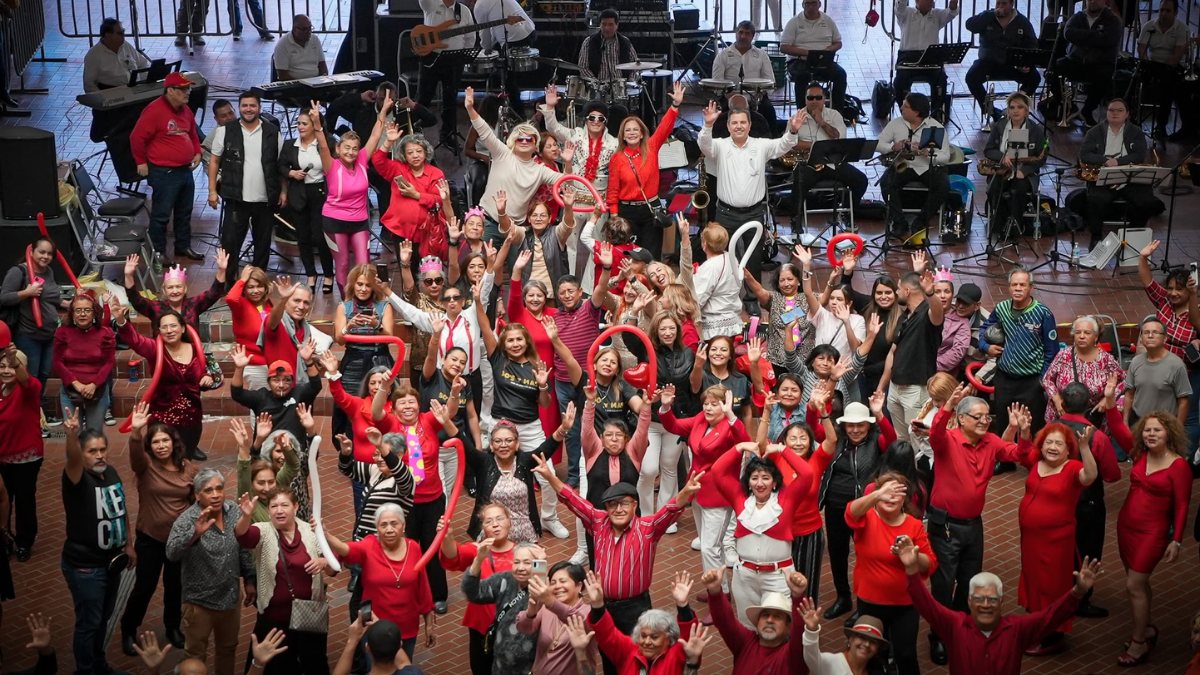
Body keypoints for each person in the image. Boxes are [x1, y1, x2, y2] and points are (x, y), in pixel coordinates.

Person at [533, 455, 703, 651]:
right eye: (613, 504)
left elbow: (670, 509)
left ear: (635, 506)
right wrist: (549, 475)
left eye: (624, 503)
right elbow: (573, 500)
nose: (618, 509)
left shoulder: (648, 528)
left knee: (637, 654)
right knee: (607, 655)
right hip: (602, 606)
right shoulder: (598, 521)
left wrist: (686, 492)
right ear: (606, 507)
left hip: (636, 608)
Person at [924, 383, 1034, 664]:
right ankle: (938, 636)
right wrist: (948, 404)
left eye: (988, 417)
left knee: (969, 581)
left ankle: (959, 628)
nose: (986, 421)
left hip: (973, 525)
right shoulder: (947, 440)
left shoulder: (991, 442)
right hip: (944, 526)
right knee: (943, 584)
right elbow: (935, 433)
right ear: (962, 419)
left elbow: (1019, 456)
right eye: (979, 417)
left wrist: (1023, 432)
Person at [902, 540, 1102, 675]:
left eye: (992, 599)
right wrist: (911, 570)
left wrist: (1077, 591)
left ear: (1001, 602)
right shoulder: (955, 625)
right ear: (969, 601)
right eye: (979, 598)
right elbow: (927, 606)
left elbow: (1052, 617)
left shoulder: (1017, 630)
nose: (986, 605)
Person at [476, 284, 579, 539]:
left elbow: (544, 403)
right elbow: (486, 327)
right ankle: (493, 523)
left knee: (547, 476)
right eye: (510, 340)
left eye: (519, 339)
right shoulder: (498, 357)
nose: (514, 344)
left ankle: (549, 518)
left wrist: (543, 385)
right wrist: (478, 300)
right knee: (493, 478)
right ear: (504, 342)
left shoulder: (536, 364)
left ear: (526, 341)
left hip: (531, 427)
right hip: (501, 426)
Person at [1113, 411, 1193, 666]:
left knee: (1133, 585)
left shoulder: (1179, 466)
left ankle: (1139, 644)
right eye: (1147, 430)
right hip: (1126, 527)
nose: (1150, 434)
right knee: (1139, 581)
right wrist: (1111, 399)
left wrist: (1177, 540)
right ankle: (1147, 629)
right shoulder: (1140, 454)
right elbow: (1116, 427)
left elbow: (1182, 505)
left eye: (1157, 430)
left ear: (1169, 432)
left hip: (1152, 533)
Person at [120, 403, 199, 656]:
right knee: (144, 587)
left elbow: (194, 502)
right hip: (150, 539)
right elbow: (134, 455)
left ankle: (173, 627)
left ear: (174, 443)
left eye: (165, 440)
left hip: (178, 541)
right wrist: (136, 433)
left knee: (175, 586)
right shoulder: (145, 467)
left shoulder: (189, 469)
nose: (161, 445)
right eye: (156, 442)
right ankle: (128, 629)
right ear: (150, 447)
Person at [58, 409, 132, 675]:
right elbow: (72, 459)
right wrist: (71, 435)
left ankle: (99, 666)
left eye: (103, 449)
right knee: (89, 623)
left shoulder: (110, 472)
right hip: (85, 567)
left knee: (102, 619)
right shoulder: (76, 478)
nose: (99, 455)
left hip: (110, 564)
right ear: (81, 454)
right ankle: (86, 670)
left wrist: (128, 544)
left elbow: (120, 510)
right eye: (92, 451)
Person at [1015, 422, 1098, 656]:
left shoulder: (1072, 468)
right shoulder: (1035, 461)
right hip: (1031, 539)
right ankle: (1036, 626)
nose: (1052, 447)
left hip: (1056, 542)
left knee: (1052, 586)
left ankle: (1052, 636)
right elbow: (1020, 452)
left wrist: (1084, 447)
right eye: (1049, 442)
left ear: (1067, 448)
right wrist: (1022, 431)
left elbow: (1090, 475)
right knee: (1033, 579)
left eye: (1059, 444)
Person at [698, 102, 802, 285]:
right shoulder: (720, 146)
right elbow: (704, 145)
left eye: (743, 122)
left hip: (753, 214)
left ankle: (752, 300)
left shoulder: (761, 145)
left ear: (750, 125)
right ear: (729, 126)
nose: (739, 126)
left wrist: (792, 131)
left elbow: (782, 145)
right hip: (725, 213)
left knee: (753, 258)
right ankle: (722, 294)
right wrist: (708, 125)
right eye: (735, 123)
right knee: (721, 257)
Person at [710, 441, 811, 628]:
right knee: (747, 628)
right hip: (744, 577)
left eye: (765, 478)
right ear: (748, 481)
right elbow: (717, 471)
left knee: (778, 629)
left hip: (778, 577)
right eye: (754, 478)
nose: (759, 483)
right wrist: (739, 447)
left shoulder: (786, 499)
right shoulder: (740, 498)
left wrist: (782, 450)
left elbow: (807, 474)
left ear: (774, 482)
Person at [165, 469, 257, 675]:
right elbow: (171, 553)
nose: (215, 494)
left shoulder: (234, 511)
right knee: (195, 657)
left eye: (219, 488)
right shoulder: (187, 520)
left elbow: (243, 547)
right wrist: (194, 534)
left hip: (230, 599)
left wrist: (249, 580)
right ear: (197, 495)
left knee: (228, 649)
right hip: (199, 604)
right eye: (208, 490)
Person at [814, 393, 896, 620]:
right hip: (835, 505)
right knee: (838, 553)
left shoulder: (876, 441)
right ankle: (843, 597)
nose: (855, 430)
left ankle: (864, 603)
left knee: (865, 554)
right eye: (851, 426)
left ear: (868, 426)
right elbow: (816, 430)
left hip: (864, 508)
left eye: (860, 425)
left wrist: (879, 414)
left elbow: (892, 439)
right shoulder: (837, 439)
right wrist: (820, 409)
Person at [843, 476, 935, 675]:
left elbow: (930, 564)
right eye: (886, 492)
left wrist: (913, 556)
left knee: (905, 654)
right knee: (873, 656)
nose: (890, 497)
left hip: (905, 605)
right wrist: (876, 494)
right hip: (870, 602)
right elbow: (850, 512)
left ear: (905, 500)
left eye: (897, 494)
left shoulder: (914, 525)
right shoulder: (866, 517)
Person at [321, 503, 436, 661]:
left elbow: (423, 588)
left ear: (403, 526)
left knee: (403, 667)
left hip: (407, 627)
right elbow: (344, 549)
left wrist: (429, 624)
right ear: (377, 528)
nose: (389, 529)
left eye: (394, 524)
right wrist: (326, 535)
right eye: (383, 525)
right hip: (373, 627)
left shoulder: (414, 548)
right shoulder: (369, 546)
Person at [234, 486, 331, 675]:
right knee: (278, 668)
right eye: (273, 506)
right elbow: (243, 537)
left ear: (295, 507)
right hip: (274, 621)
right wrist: (246, 516)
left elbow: (334, 565)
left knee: (314, 664)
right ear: (268, 510)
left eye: (284, 505)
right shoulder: (263, 531)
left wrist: (323, 560)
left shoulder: (310, 530)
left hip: (309, 618)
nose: (279, 510)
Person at [114, 304, 215, 462]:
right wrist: (121, 320)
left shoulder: (197, 350)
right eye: (164, 327)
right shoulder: (155, 350)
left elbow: (212, 374)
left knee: (185, 463)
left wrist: (208, 378)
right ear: (159, 331)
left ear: (182, 328)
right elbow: (135, 340)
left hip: (192, 419)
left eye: (174, 326)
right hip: (162, 419)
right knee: (161, 464)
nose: (169, 330)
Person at [978, 267, 1058, 461]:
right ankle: (1005, 461)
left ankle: (1036, 460)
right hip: (1004, 377)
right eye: (1014, 284)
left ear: (1031, 287)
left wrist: (1043, 378)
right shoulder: (1002, 308)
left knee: (1034, 423)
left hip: (1032, 380)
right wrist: (985, 346)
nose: (1018, 288)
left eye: (1023, 284)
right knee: (1004, 421)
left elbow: (1052, 350)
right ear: (1009, 287)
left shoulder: (1043, 313)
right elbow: (984, 330)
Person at [208, 92, 286, 282]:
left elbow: (281, 164)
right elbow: (214, 161)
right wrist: (212, 191)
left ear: (259, 108)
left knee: (262, 244)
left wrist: (283, 190)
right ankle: (228, 283)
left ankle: (258, 284)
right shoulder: (225, 131)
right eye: (245, 105)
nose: (248, 109)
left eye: (252, 105)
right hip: (236, 199)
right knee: (230, 243)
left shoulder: (272, 131)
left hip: (264, 199)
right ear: (239, 108)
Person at [466, 89, 560, 241]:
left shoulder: (540, 170)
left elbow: (564, 180)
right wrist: (470, 109)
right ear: (513, 142)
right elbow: (483, 130)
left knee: (518, 265)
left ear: (535, 145)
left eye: (528, 139)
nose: (524, 141)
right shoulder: (502, 153)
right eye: (519, 139)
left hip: (516, 229)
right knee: (484, 264)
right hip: (490, 223)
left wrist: (568, 162)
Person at [129, 71, 203, 263]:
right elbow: (136, 138)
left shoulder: (185, 110)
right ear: (170, 91)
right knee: (161, 215)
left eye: (189, 88)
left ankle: (182, 246)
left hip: (184, 170)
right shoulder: (154, 111)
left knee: (184, 212)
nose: (188, 92)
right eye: (183, 89)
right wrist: (141, 162)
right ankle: (158, 251)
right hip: (164, 172)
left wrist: (197, 151)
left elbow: (193, 132)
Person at [437, 505, 521, 675]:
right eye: (489, 521)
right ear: (483, 528)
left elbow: (540, 585)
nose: (495, 524)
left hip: (516, 629)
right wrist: (447, 537)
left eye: (500, 519)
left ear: (509, 522)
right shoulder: (478, 550)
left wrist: (540, 561)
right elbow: (453, 557)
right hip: (483, 629)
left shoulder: (523, 551)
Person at [605, 82, 684, 259]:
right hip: (627, 212)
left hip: (651, 210)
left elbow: (665, 127)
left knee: (651, 256)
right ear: (623, 136)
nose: (632, 133)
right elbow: (613, 190)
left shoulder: (651, 147)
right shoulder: (617, 158)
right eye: (628, 130)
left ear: (642, 133)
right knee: (628, 256)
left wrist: (675, 106)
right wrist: (615, 216)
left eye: (636, 129)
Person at [582, 568, 712, 675]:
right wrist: (598, 604)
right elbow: (607, 634)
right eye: (643, 636)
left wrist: (683, 605)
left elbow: (689, 637)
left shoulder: (676, 653)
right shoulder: (628, 650)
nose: (647, 642)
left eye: (654, 637)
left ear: (669, 638)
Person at [1137, 240, 1200, 454]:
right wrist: (1143, 257)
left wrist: (1193, 296)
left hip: (1187, 372)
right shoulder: (1164, 302)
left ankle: (1183, 456)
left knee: (1187, 418)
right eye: (1171, 288)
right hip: (1158, 370)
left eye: (1179, 290)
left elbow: (1195, 321)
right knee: (1156, 413)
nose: (1173, 293)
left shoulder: (1196, 309)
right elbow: (1148, 282)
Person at [1079, 99, 1163, 249]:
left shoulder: (1136, 132)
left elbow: (1139, 154)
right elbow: (1084, 154)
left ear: (1127, 114)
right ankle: (1096, 237)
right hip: (1103, 176)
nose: (1115, 113)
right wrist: (1104, 161)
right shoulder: (1094, 132)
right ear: (1106, 112)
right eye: (1111, 110)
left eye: (1119, 110)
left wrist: (1119, 161)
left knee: (1147, 202)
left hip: (1131, 178)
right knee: (1095, 200)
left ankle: (1129, 234)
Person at [878, 266, 944, 443]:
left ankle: (917, 471)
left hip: (916, 389)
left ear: (907, 291)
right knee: (901, 439)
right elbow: (893, 352)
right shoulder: (904, 316)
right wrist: (881, 386)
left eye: (898, 288)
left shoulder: (926, 314)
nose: (897, 292)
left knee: (918, 439)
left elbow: (938, 314)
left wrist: (930, 293)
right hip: (895, 387)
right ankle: (905, 470)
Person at [461, 541, 547, 675]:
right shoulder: (504, 580)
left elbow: (539, 595)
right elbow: (473, 593)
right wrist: (478, 560)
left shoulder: (543, 585)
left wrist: (541, 565)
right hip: (500, 666)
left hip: (532, 667)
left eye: (527, 563)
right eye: (516, 562)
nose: (520, 568)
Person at [701, 566, 807, 673]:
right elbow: (724, 621)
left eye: (777, 617)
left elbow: (800, 631)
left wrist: (798, 596)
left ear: (789, 627)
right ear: (757, 622)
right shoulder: (745, 642)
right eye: (765, 615)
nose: (770, 620)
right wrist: (715, 591)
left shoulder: (794, 656)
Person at [375, 125, 451, 272]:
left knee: (428, 272)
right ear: (404, 155)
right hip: (401, 231)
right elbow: (378, 161)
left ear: (426, 153)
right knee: (407, 270)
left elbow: (440, 199)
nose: (415, 156)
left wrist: (416, 195)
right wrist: (388, 142)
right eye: (410, 153)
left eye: (419, 151)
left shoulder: (436, 173)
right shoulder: (398, 168)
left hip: (427, 232)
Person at [333, 265, 395, 437]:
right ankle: (351, 449)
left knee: (383, 404)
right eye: (359, 284)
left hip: (379, 359)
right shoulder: (343, 307)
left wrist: (377, 325)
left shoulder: (384, 307)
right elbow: (339, 339)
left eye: (368, 285)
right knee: (350, 406)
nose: (363, 289)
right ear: (353, 284)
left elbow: (390, 336)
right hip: (353, 360)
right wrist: (349, 327)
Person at [278, 107, 335, 294]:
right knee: (302, 237)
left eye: (304, 123)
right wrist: (291, 173)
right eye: (298, 123)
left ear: (314, 125)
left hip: (320, 193)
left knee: (320, 237)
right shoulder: (289, 145)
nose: (300, 127)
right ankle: (310, 274)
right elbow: (280, 166)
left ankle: (328, 274)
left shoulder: (325, 143)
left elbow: (334, 166)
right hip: (299, 193)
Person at [876, 92, 951, 235]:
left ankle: (921, 221)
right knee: (887, 183)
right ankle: (899, 222)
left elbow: (945, 157)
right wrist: (893, 147)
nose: (901, 108)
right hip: (904, 165)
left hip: (928, 166)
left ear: (916, 112)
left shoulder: (936, 127)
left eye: (905, 107)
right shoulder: (895, 124)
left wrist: (928, 154)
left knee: (943, 186)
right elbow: (878, 143)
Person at [790, 83, 868, 218]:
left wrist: (822, 122)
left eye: (818, 97)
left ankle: (849, 214)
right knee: (799, 182)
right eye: (810, 98)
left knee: (861, 180)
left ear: (824, 99)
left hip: (834, 163)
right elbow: (791, 142)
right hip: (808, 163)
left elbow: (838, 138)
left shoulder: (834, 115)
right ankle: (796, 220)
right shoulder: (796, 118)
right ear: (805, 99)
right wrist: (815, 146)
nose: (814, 101)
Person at [515, 561, 598, 675]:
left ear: (579, 586)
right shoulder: (546, 608)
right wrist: (531, 611)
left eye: (563, 581)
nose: (558, 586)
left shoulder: (588, 613)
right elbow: (523, 628)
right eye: (553, 582)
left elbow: (575, 617)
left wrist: (550, 601)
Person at [981, 92, 1047, 233]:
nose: (1015, 111)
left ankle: (1016, 225)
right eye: (1012, 107)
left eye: (1020, 107)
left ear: (1027, 110)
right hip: (1002, 169)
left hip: (1025, 173)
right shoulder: (1000, 126)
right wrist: (1001, 157)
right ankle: (998, 223)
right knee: (994, 188)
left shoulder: (1036, 130)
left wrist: (1025, 171)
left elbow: (1041, 158)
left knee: (1019, 189)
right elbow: (988, 150)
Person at [963, 0, 1040, 120]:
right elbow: (970, 25)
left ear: (1011, 5)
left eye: (1004, 4)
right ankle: (991, 110)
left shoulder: (1022, 21)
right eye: (998, 3)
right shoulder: (987, 17)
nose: (1000, 7)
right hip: (989, 62)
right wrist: (990, 14)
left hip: (1013, 64)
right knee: (971, 77)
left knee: (1034, 77)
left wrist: (1025, 63)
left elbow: (1032, 44)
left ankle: (1016, 106)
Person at [1049, 0, 1121, 127]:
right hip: (1076, 60)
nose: (1092, 1)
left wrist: (1082, 38)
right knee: (1055, 68)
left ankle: (1087, 111)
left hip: (1099, 64)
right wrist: (1096, 37)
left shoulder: (1112, 20)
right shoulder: (1078, 17)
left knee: (1105, 76)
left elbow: (1108, 39)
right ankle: (1069, 106)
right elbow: (1068, 33)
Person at [1042, 315, 1124, 426]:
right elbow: (1047, 379)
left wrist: (1107, 400)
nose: (1081, 336)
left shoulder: (1106, 360)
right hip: (1061, 417)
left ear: (1096, 336)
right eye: (1077, 332)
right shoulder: (1063, 355)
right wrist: (1056, 399)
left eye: (1087, 333)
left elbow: (1124, 382)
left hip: (1091, 420)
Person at [53, 291, 116, 432]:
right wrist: (76, 384)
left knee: (94, 436)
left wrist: (94, 384)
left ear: (94, 314)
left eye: (87, 310)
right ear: (72, 314)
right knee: (73, 435)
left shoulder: (105, 334)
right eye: (78, 310)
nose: (82, 314)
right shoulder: (62, 333)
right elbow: (57, 362)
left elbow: (109, 362)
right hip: (71, 392)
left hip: (98, 392)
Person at [123, 251, 228, 334]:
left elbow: (214, 294)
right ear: (164, 290)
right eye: (170, 287)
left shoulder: (193, 305)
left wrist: (222, 270)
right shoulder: (156, 309)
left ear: (185, 289)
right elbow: (135, 300)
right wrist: (129, 275)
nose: (175, 291)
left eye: (178, 287)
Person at [416, 0, 474, 145]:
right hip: (431, 58)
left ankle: (447, 135)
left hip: (454, 61)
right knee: (424, 97)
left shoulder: (464, 11)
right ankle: (413, 133)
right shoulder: (430, 4)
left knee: (450, 100)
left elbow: (470, 36)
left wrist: (464, 57)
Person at [893, 0, 959, 117]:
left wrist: (953, 3)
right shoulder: (906, 14)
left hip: (930, 58)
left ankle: (935, 114)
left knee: (941, 80)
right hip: (908, 58)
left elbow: (950, 13)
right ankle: (907, 113)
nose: (931, 2)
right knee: (899, 82)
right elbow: (900, 6)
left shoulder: (936, 15)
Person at [780, 3, 848, 112]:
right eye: (807, 4)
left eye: (813, 4)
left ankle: (837, 113)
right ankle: (802, 113)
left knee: (840, 74)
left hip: (823, 60)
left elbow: (838, 42)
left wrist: (828, 50)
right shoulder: (794, 22)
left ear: (819, 5)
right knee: (801, 76)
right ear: (803, 5)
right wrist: (806, 52)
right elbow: (783, 47)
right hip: (800, 60)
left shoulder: (828, 21)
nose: (810, 7)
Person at [712, 22, 780, 129]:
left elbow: (770, 80)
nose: (743, 36)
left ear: (752, 36)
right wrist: (731, 96)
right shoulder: (723, 55)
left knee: (769, 110)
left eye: (747, 34)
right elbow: (717, 80)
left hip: (756, 96)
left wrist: (760, 94)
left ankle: (772, 141)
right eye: (741, 32)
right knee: (722, 117)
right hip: (730, 96)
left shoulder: (761, 55)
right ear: (736, 34)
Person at [1124, 318, 1191, 427]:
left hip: (1164, 425)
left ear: (1165, 338)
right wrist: (1125, 422)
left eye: (1155, 332)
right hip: (1138, 422)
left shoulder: (1176, 365)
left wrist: (1177, 429)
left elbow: (1183, 402)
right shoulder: (1136, 361)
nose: (1150, 336)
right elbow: (1129, 395)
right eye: (1146, 333)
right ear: (1141, 338)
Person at [1136, 0, 1187, 138]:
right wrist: (1147, 64)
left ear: (1175, 12)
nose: (1163, 13)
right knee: (1134, 77)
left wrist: (1165, 70)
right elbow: (1142, 49)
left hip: (1172, 66)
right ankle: (1132, 121)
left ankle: (1161, 125)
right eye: (1161, 10)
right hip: (1151, 63)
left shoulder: (1182, 29)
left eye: (1168, 11)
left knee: (1168, 84)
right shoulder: (1149, 26)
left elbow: (1177, 54)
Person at [262, 278, 333, 376]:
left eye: (306, 303)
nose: (301, 306)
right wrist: (283, 299)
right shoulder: (279, 322)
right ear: (286, 302)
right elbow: (272, 321)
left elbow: (298, 354)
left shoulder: (305, 328)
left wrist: (314, 358)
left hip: (300, 383)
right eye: (297, 300)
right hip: (280, 385)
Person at [472, 0, 534, 114]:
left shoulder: (479, 6)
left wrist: (486, 49)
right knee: (510, 76)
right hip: (530, 30)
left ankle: (518, 113)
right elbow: (494, 26)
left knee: (508, 79)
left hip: (513, 39)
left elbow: (484, 32)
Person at [800, 597, 887, 674]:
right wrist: (811, 631)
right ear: (850, 639)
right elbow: (811, 656)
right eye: (862, 637)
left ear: (877, 648)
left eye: (873, 642)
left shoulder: (878, 672)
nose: (867, 644)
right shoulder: (830, 662)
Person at [692, 223, 746, 340]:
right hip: (732, 319)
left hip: (714, 326)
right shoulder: (731, 258)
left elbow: (698, 299)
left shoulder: (710, 266)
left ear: (704, 244)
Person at [225, 266, 275, 391]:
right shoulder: (240, 305)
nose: (256, 291)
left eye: (259, 286)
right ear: (244, 290)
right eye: (250, 287)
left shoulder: (269, 304)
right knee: (261, 406)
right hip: (255, 365)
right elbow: (231, 298)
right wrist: (242, 280)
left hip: (273, 363)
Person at [578, 9, 637, 82]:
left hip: (621, 87)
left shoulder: (625, 42)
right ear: (600, 25)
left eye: (610, 24)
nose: (606, 28)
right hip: (597, 87)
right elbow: (583, 67)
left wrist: (631, 81)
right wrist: (595, 83)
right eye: (604, 24)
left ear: (617, 25)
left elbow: (635, 65)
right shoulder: (589, 42)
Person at [272, 15, 327, 80]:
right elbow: (282, 76)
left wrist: (323, 79)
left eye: (310, 28)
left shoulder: (315, 39)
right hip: (295, 85)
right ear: (295, 29)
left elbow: (322, 65)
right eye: (304, 29)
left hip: (316, 82)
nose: (308, 32)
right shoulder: (282, 45)